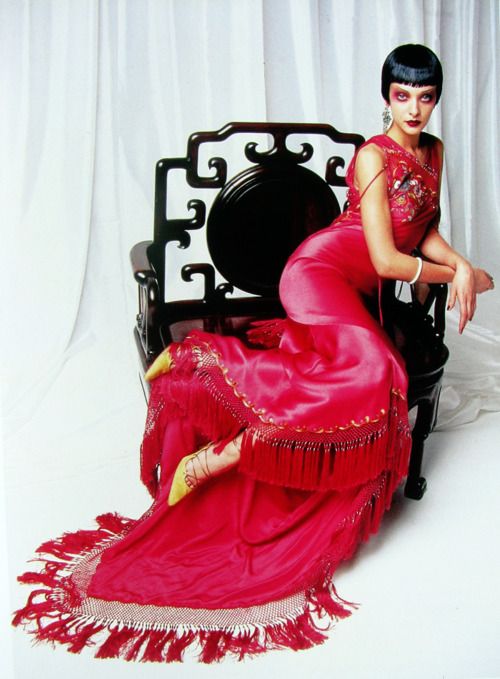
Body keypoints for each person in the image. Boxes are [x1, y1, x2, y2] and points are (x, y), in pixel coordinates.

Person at [14, 44, 494, 663]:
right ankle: (203, 371)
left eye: (425, 98)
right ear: (386, 98)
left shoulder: (433, 151)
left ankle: (221, 442)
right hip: (319, 274)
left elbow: (422, 228)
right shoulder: (375, 156)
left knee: (367, 379)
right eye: (402, 96)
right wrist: (458, 274)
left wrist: (460, 266)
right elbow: (385, 259)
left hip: (356, 292)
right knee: (376, 370)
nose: (414, 109)